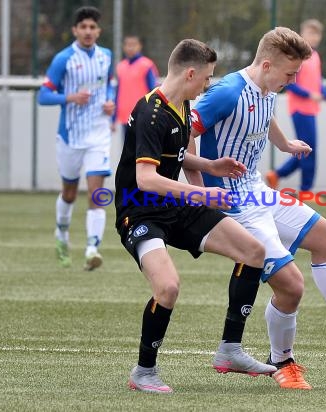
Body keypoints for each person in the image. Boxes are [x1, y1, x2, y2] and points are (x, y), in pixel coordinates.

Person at [190, 26, 326, 390]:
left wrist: (285, 143)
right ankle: (283, 361)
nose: (292, 81)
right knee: (291, 286)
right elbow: (185, 134)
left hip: (257, 191)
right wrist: (200, 193)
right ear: (268, 64)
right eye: (289, 74)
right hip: (233, 206)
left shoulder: (268, 86)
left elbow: (264, 113)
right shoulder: (226, 92)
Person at [114, 38, 277, 394]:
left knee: (253, 252)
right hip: (140, 212)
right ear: (190, 73)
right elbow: (146, 178)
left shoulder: (182, 105)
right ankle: (144, 372)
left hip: (174, 205)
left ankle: (230, 351)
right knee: (168, 287)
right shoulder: (150, 112)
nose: (208, 84)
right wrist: (203, 193)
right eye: (206, 78)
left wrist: (208, 165)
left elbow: (174, 158)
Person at [38, 6, 115, 271]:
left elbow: (110, 85)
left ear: (98, 31)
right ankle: (61, 236)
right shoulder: (64, 59)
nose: (88, 32)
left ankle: (92, 249)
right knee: (69, 193)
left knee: (97, 193)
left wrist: (110, 103)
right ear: (75, 30)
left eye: (92, 27)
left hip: (98, 135)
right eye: (83, 27)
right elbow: (43, 95)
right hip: (70, 136)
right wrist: (69, 97)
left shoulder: (106, 56)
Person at [265, 19, 326, 192]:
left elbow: (317, 82)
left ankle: (277, 175)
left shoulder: (315, 57)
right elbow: (292, 83)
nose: (315, 37)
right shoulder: (298, 58)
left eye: (317, 34)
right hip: (299, 109)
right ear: (302, 34)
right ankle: (306, 190)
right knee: (309, 150)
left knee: (306, 149)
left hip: (311, 110)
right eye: (311, 33)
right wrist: (309, 94)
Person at [115, 34, 159, 138]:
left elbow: (154, 91)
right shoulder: (120, 66)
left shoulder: (147, 65)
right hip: (124, 117)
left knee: (141, 150)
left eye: (133, 44)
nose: (130, 47)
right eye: (127, 44)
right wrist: (114, 117)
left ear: (140, 46)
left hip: (142, 116)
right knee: (127, 151)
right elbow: (117, 92)